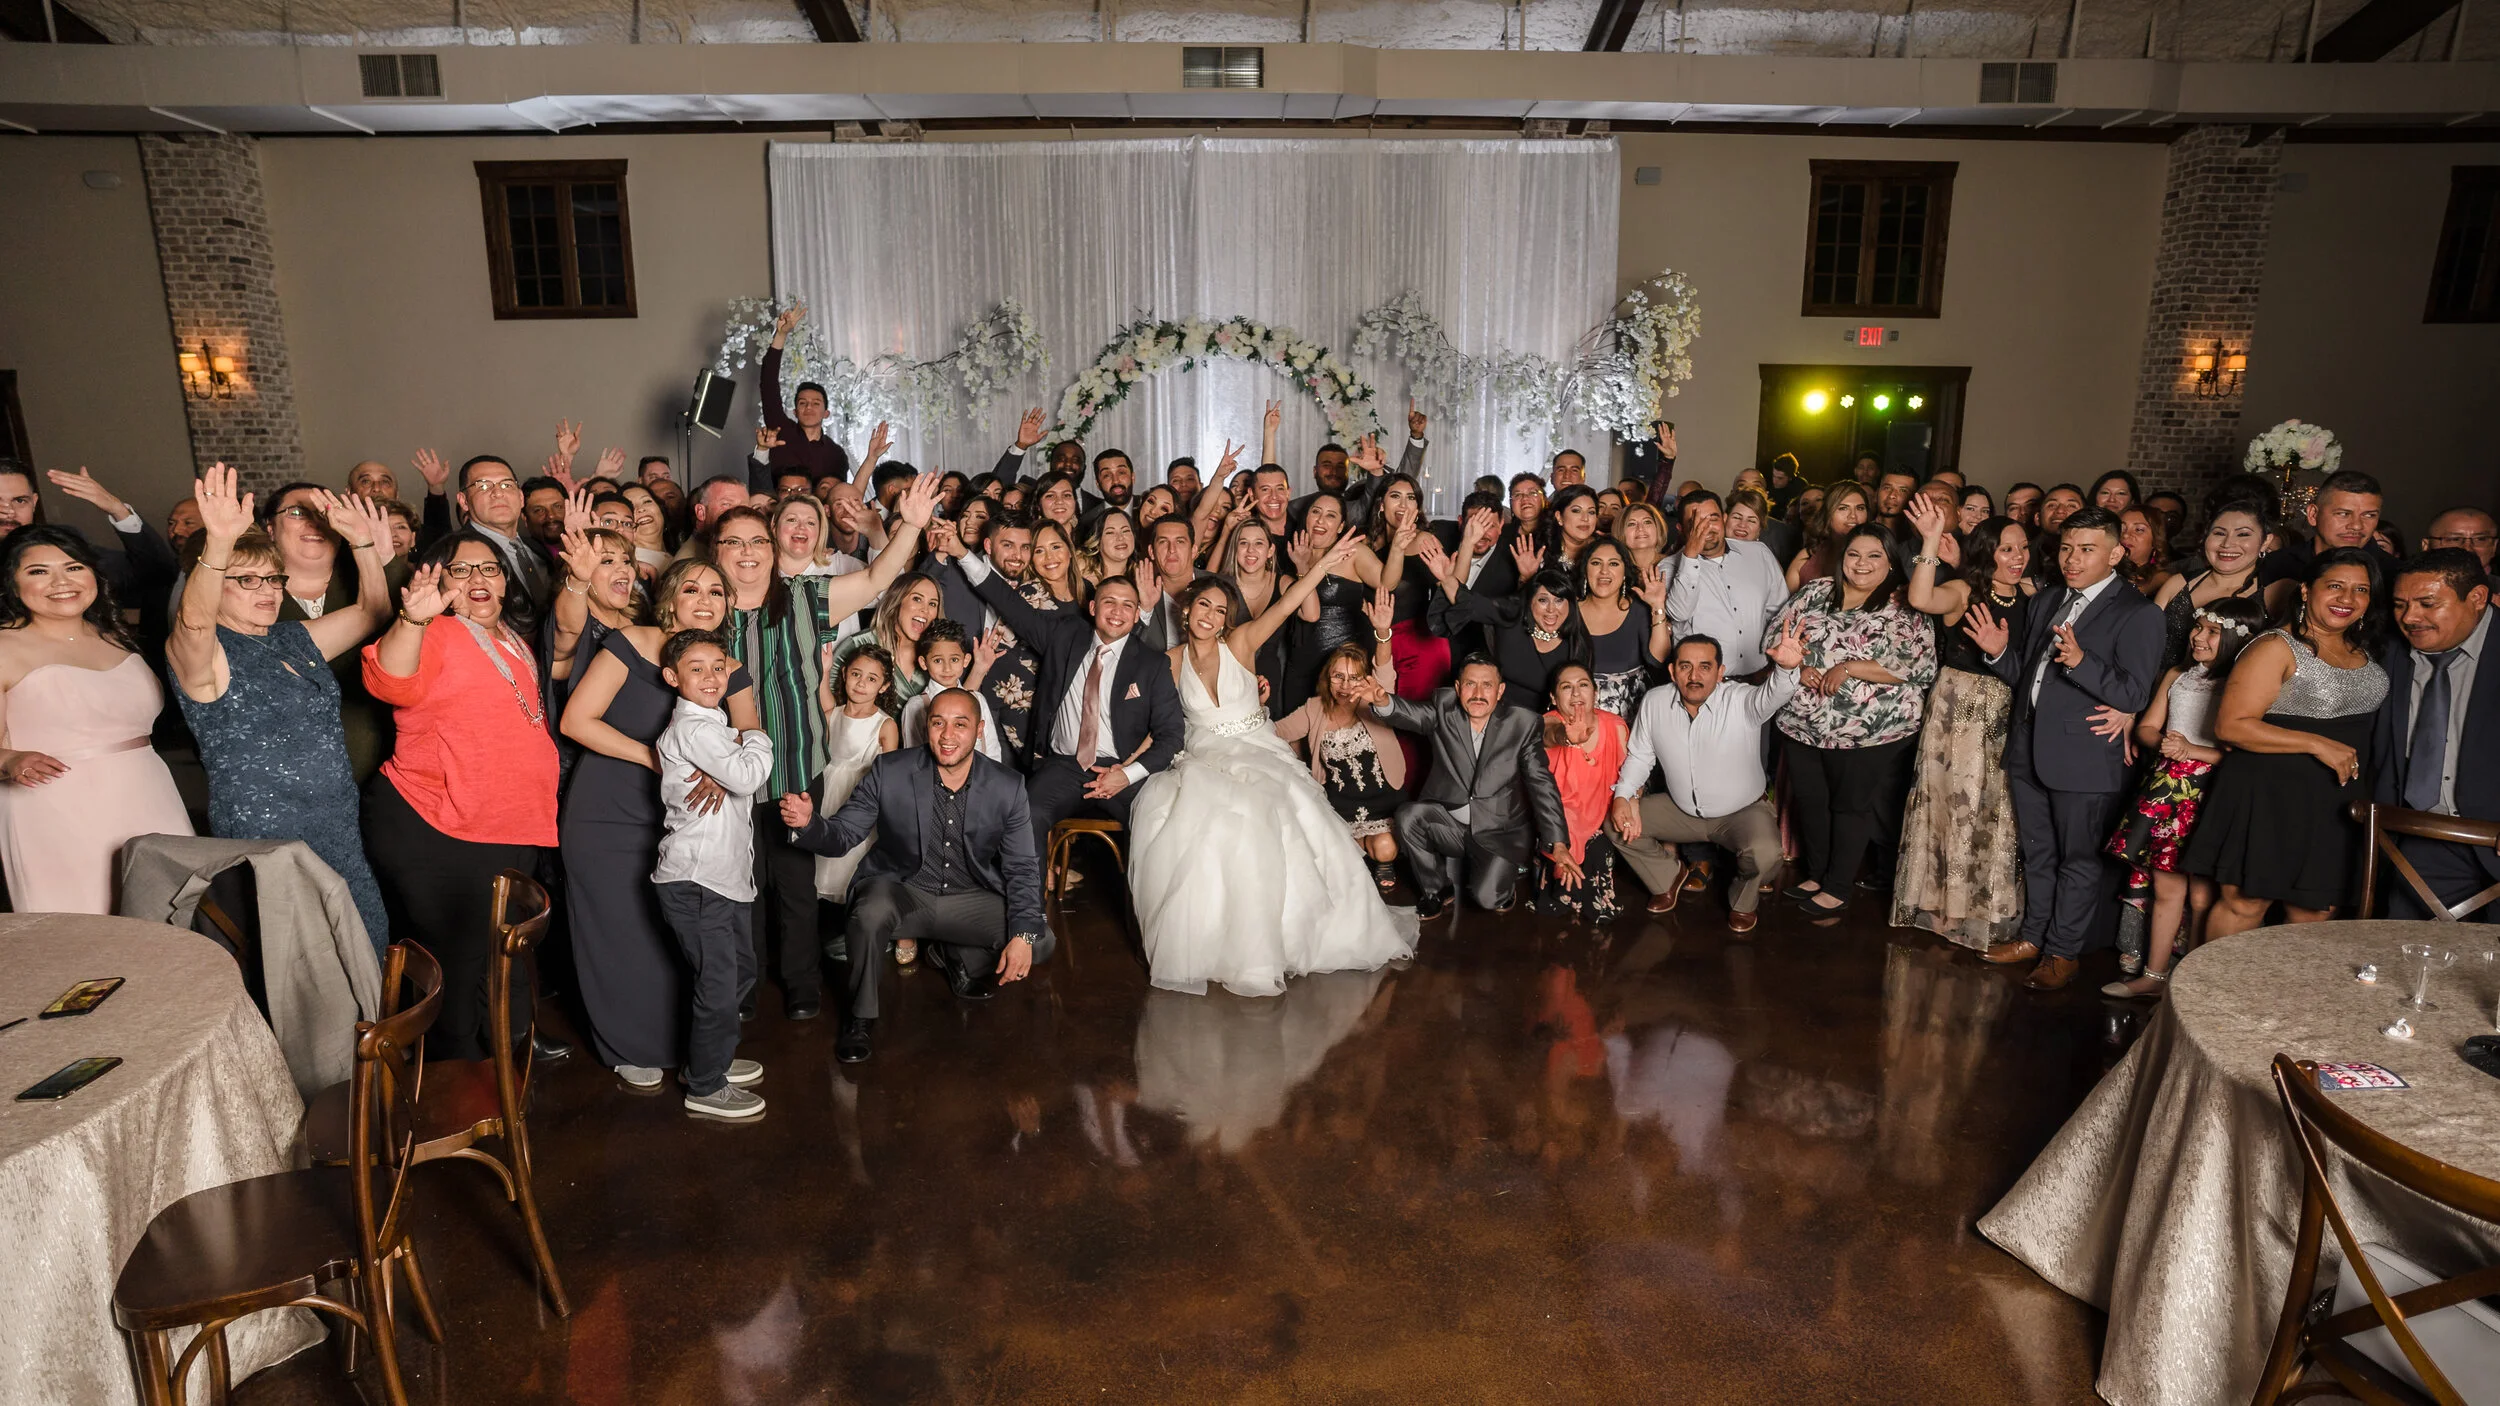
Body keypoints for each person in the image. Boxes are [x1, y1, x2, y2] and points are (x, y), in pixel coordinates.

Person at [1127, 550, 1416, 997]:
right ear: (1187, 609)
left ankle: (1291, 938)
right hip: (1202, 756)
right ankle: (1214, 945)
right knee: (1185, 818)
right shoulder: (1168, 662)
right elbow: (1156, 721)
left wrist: (1321, 566)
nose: (1209, 615)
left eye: (1219, 610)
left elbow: (1286, 606)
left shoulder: (1241, 643)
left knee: (1282, 811)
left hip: (1258, 749)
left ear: (1226, 620)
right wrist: (1126, 767)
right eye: (1203, 605)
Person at [169, 465, 393, 947]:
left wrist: (363, 544)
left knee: (365, 941)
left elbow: (372, 611)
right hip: (269, 835)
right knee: (301, 960)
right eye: (246, 580)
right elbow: (193, 623)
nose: (267, 591)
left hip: (337, 824)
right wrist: (219, 544)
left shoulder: (289, 638)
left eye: (272, 579)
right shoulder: (205, 654)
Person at [559, 559, 757, 1088]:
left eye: (716, 592)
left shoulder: (727, 666)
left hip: (684, 823)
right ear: (669, 599)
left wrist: (725, 769)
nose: (705, 599)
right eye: (692, 589)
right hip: (609, 809)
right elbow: (576, 720)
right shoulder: (630, 642)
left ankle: (694, 1054)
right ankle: (626, 1045)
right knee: (621, 933)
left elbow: (749, 730)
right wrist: (662, 759)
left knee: (676, 945)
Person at [361, 534, 561, 1060]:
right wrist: (413, 621)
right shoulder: (438, 632)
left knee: (504, 949)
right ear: (439, 582)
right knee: (460, 958)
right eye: (461, 569)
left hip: (505, 821)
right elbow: (390, 682)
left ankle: (507, 1046)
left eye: (489, 568)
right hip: (440, 823)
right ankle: (455, 1078)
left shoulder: (511, 638)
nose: (478, 578)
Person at [780, 689, 1050, 1065]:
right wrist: (810, 824)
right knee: (869, 912)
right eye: (938, 723)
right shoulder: (890, 770)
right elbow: (843, 834)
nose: (948, 735)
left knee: (1038, 939)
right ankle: (859, 1017)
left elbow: (1022, 866)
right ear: (927, 728)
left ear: (979, 730)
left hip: (967, 897)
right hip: (902, 892)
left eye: (960, 725)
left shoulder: (1007, 786)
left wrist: (1022, 936)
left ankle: (956, 954)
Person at [1963, 506, 2166, 989]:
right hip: (2029, 747)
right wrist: (1997, 652)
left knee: (2078, 860)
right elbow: (2028, 677)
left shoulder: (2139, 612)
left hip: (2085, 756)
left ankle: (2063, 952)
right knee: (2038, 854)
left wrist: (2080, 661)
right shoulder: (2049, 598)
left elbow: (2134, 693)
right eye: (2067, 548)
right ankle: (2033, 938)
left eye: (2087, 550)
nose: (2072, 559)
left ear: (2115, 554)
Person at [2188, 549, 2389, 935]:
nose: (2347, 598)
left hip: (2336, 801)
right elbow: (2231, 726)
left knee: (2315, 913)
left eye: (2361, 589)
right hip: (2268, 794)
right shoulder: (2275, 646)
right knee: (2245, 904)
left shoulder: (2369, 649)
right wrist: (2318, 744)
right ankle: (2213, 979)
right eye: (2335, 586)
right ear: (2306, 590)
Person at [0, 526, 192, 914]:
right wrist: (10, 759)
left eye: (74, 567)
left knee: (169, 919)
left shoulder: (116, 636)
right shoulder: (4, 646)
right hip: (57, 806)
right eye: (38, 571)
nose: (61, 583)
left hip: (149, 794)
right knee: (85, 926)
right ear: (12, 584)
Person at [2099, 597, 2266, 998]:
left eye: (2212, 631)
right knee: (2166, 885)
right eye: (2198, 627)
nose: (2198, 636)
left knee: (2203, 892)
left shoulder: (2241, 684)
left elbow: (2244, 754)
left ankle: (2191, 981)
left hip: (2212, 790)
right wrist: (2164, 743)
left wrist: (2193, 750)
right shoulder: (2178, 674)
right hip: (2168, 786)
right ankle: (2154, 977)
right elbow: (2148, 727)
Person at [1770, 525, 1938, 918]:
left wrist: (1849, 667)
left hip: (1868, 731)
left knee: (1849, 806)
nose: (1862, 564)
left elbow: (1920, 665)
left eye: (1874, 555)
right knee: (1811, 802)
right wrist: (1798, 667)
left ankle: (1838, 887)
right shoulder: (1816, 591)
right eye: (1854, 554)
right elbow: (1775, 637)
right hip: (1802, 723)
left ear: (1890, 561)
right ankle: (1816, 875)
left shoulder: (1902, 602)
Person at [958, 554, 1184, 843]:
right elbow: (1010, 604)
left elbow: (1172, 735)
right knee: (1024, 817)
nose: (1117, 611)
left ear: (1137, 613)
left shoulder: (1152, 664)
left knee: (1159, 827)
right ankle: (1034, 876)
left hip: (1121, 767)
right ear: (1092, 607)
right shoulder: (1064, 636)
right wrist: (962, 554)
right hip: (1064, 766)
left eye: (1127, 605)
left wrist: (1128, 774)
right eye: (1109, 602)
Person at [1893, 500, 2031, 950]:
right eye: (2007, 549)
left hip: (2007, 708)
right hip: (1961, 710)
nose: (2018, 556)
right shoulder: (1962, 591)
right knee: (1954, 806)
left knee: (1996, 808)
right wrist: (1931, 539)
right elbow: (1919, 599)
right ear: (1987, 552)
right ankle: (1943, 907)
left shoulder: (2031, 596)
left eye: (2023, 547)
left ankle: (1981, 907)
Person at [650, 628, 775, 1120]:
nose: (710, 677)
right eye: (696, 668)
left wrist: (736, 754)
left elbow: (736, 778)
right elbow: (747, 776)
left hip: (724, 880)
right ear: (672, 677)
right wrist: (755, 736)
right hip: (698, 881)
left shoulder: (713, 726)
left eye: (718, 667)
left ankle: (710, 1059)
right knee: (720, 984)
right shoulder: (696, 729)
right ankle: (705, 1085)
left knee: (739, 972)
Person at [1610, 627, 1805, 933]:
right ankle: (1668, 876)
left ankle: (1743, 901)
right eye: (1685, 666)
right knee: (1614, 822)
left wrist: (1786, 669)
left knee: (1766, 855)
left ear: (1720, 672)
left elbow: (1773, 695)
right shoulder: (1655, 701)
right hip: (1682, 810)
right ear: (1672, 671)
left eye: (1705, 667)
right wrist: (1624, 796)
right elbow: (1640, 756)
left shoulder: (1742, 700)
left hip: (1741, 812)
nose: (1694, 676)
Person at [1370, 654, 1570, 921]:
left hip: (1499, 834)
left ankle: (1503, 880)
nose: (1478, 694)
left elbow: (1541, 783)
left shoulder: (1522, 723)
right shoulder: (1444, 707)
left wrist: (1558, 842)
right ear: (1457, 687)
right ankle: (1436, 890)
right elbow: (1411, 715)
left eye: (1487, 685)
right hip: (1450, 826)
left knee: (1488, 898)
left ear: (1500, 691)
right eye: (1470, 684)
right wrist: (1382, 701)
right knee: (1409, 815)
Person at [2371, 549, 2497, 920]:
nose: (2410, 617)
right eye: (2400, 604)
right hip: (2422, 839)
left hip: (2494, 833)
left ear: (2477, 598)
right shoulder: (2387, 650)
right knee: (2406, 947)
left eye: (2428, 604)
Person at [1274, 601, 1405, 891]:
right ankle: (1359, 851)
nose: (1345, 685)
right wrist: (1254, 707)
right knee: (1332, 861)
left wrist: (1383, 632)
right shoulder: (1314, 708)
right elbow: (1277, 732)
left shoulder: (1375, 700)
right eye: (1338, 676)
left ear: (1365, 679)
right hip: (1339, 808)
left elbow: (1384, 670)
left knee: (1385, 847)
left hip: (1382, 802)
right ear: (1327, 678)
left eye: (1354, 677)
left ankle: (1372, 855)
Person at [1527, 664, 1629, 921]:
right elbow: (1550, 733)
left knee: (1603, 844)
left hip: (1602, 812)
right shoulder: (1547, 722)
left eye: (1583, 685)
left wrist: (1631, 801)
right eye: (1566, 687)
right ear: (1553, 698)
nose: (1575, 693)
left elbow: (1630, 776)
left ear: (1595, 692)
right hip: (1559, 817)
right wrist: (1567, 737)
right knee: (1569, 848)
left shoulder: (1615, 726)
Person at [810, 643, 900, 910]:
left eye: (872, 679)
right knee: (821, 859)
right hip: (827, 796)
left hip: (858, 801)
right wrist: (825, 671)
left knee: (850, 866)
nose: (861, 683)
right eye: (856, 674)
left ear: (883, 686)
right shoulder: (833, 715)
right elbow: (824, 698)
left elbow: (890, 776)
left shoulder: (885, 725)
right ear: (845, 674)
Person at [1666, 490, 1786, 680]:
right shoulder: (1667, 567)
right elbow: (1679, 613)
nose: (1705, 527)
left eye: (1712, 518)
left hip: (1761, 676)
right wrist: (1690, 556)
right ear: (1681, 528)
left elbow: (1780, 612)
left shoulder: (1759, 553)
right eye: (1695, 522)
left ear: (1723, 519)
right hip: (1706, 683)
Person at [2151, 499, 2269, 670]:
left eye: (2243, 534)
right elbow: (2143, 644)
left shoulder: (2273, 594)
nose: (2227, 544)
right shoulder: (2177, 585)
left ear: (2265, 542)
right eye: (2219, 533)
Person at [2259, 470, 2394, 617]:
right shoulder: (2277, 564)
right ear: (2313, 515)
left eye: (2369, 515)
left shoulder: (2393, 575)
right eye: (2343, 514)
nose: (2356, 526)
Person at [756, 303, 854, 488]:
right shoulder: (781, 431)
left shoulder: (836, 454)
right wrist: (781, 334)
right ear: (795, 411)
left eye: (816, 403)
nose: (809, 407)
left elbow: (837, 495)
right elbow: (768, 384)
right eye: (802, 403)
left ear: (826, 413)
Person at [898, 619, 1005, 764]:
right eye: (938, 661)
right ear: (924, 662)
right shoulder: (916, 706)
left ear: (965, 660)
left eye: (954, 660)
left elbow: (992, 749)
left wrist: (992, 776)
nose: (947, 669)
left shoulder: (978, 699)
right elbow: (913, 758)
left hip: (981, 776)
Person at [1786, 482, 1871, 592]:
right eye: (1843, 508)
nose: (1853, 515)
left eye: (1860, 508)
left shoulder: (1879, 556)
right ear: (1827, 513)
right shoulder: (1806, 558)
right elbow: (1785, 600)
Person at [2422, 507, 2498, 574]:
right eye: (2454, 539)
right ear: (2426, 546)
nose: (2467, 548)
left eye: (2480, 539)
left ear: (2494, 547)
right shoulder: (2415, 585)